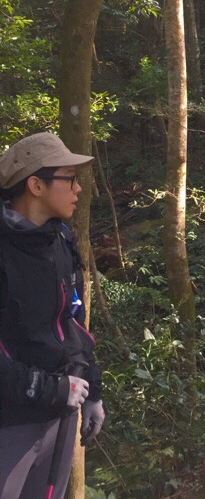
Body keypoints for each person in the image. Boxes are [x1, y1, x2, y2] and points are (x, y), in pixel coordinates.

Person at [0, 133, 106, 497]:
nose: (79, 189)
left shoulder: (60, 240)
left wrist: (92, 391)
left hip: (60, 418)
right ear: (35, 185)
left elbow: (72, 321)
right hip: (11, 423)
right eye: (70, 179)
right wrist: (50, 388)